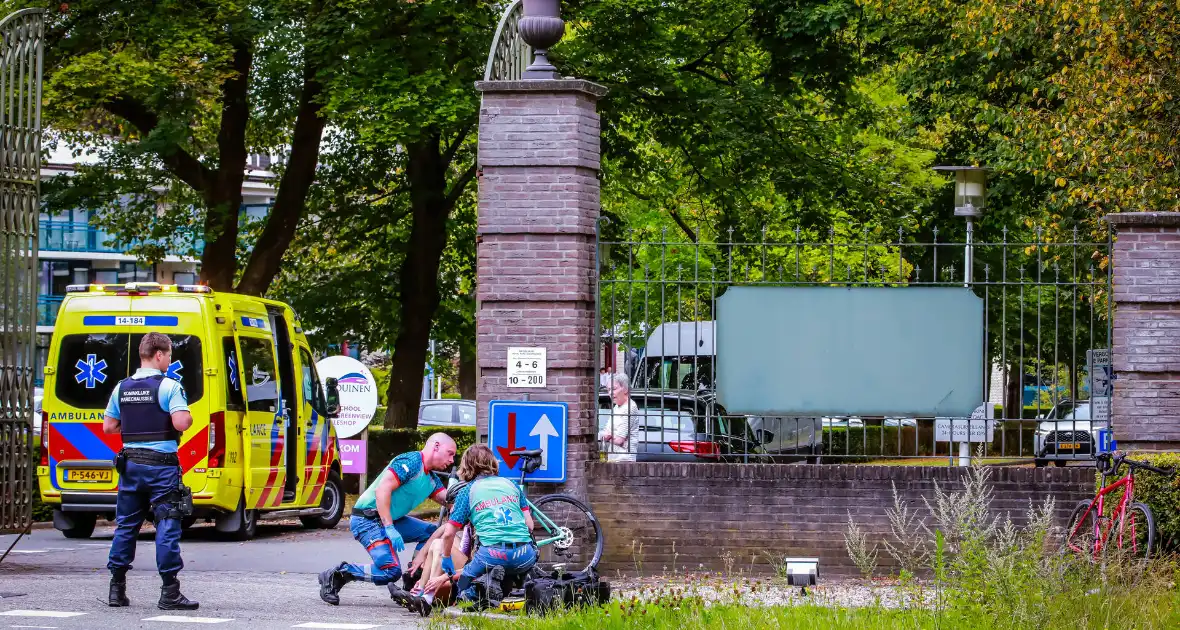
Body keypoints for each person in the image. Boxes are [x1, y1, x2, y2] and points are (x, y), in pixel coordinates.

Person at [103, 332, 198, 610]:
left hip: (130, 465)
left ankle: (116, 590)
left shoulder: (122, 387)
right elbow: (181, 423)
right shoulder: (169, 386)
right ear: (158, 354)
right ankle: (170, 593)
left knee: (127, 526)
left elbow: (108, 427)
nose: (170, 359)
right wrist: (186, 415)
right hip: (161, 468)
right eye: (169, 354)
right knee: (167, 525)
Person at [317, 433, 457, 606]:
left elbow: (451, 502)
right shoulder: (411, 462)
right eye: (450, 453)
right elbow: (382, 489)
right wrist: (389, 527)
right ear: (436, 446)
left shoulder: (431, 480)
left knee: (431, 533)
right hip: (367, 519)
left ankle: (413, 578)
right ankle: (338, 574)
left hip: (391, 520)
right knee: (390, 571)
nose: (452, 460)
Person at [434, 444, 536, 607]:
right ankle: (517, 588)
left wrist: (446, 558)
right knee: (511, 566)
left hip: (491, 555)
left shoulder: (468, 491)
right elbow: (529, 525)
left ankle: (471, 594)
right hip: (525, 556)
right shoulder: (512, 485)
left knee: (464, 586)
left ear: (467, 466)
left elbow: (448, 533)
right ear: (493, 462)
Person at [599, 373, 641, 462]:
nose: (610, 393)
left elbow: (619, 440)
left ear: (625, 389)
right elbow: (604, 433)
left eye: (613, 389)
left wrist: (609, 435)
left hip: (624, 459)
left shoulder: (630, 407)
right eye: (608, 390)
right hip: (613, 458)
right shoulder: (616, 407)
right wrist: (609, 435)